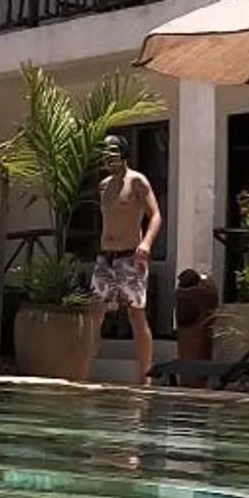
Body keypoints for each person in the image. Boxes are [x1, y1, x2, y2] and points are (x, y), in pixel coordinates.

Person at [91, 134, 163, 378]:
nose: (107, 157)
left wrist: (146, 244)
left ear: (122, 154)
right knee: (95, 314)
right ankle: (82, 374)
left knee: (135, 314)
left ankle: (144, 379)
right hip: (105, 258)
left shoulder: (137, 182)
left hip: (129, 257)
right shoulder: (103, 185)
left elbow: (155, 215)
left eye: (111, 152)